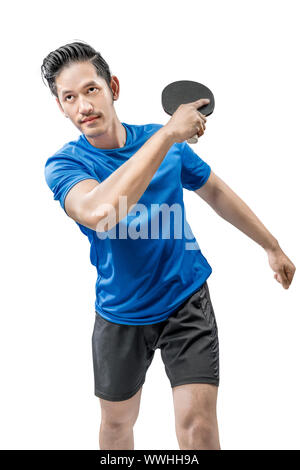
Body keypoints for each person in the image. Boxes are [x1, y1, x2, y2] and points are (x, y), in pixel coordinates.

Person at [41, 41, 296, 450]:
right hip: (121, 311)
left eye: (91, 89)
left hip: (185, 298)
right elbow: (99, 212)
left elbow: (215, 191)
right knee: (117, 426)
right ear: (61, 107)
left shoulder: (166, 144)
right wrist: (166, 136)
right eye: (69, 97)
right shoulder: (65, 165)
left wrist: (272, 245)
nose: (83, 105)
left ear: (113, 88)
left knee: (198, 429)